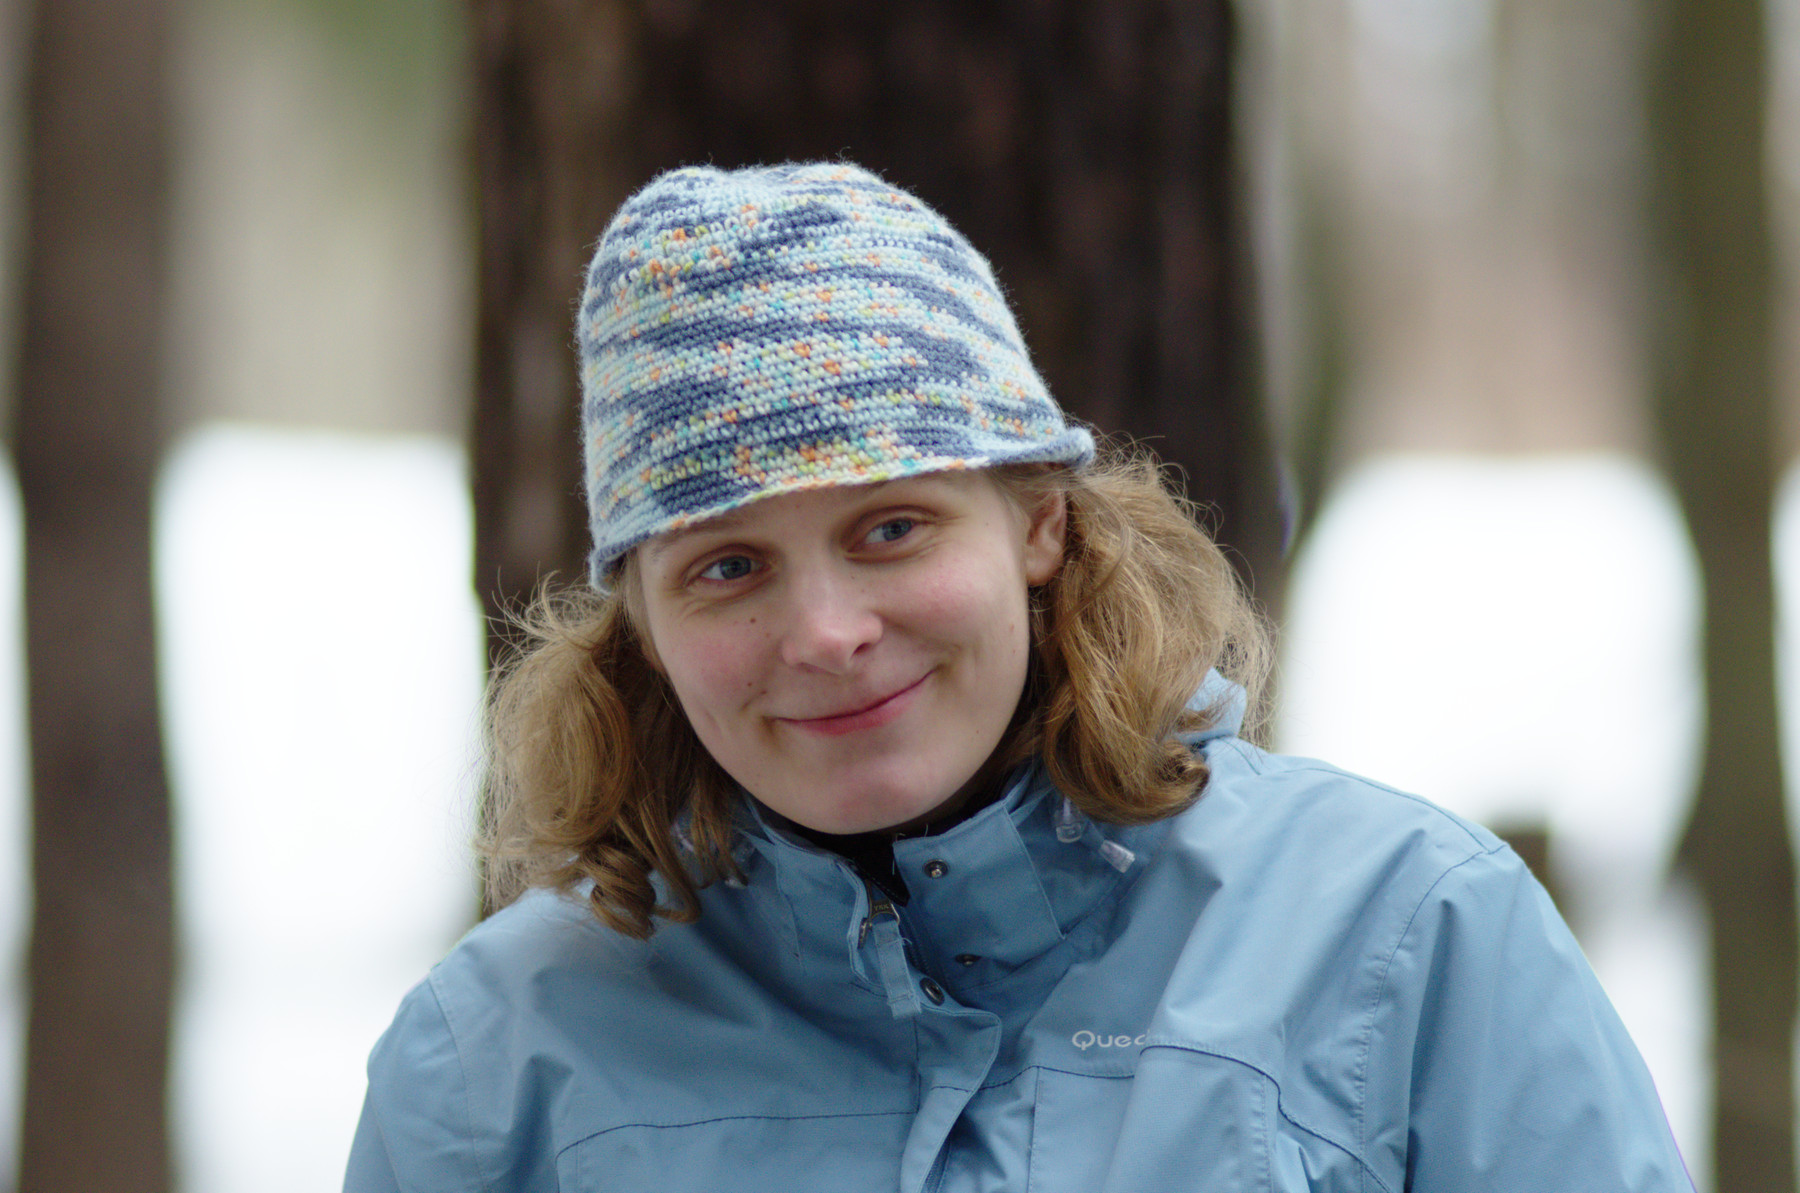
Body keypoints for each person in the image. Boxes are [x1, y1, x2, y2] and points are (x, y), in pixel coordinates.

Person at [344, 162, 1692, 1192]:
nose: (826, 632)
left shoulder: (1406, 937)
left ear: (1038, 522)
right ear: (641, 622)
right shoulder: (494, 1060)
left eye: (891, 528)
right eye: (728, 566)